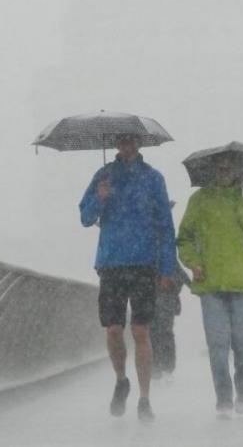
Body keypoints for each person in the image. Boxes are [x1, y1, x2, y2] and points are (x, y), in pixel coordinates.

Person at [79, 133, 177, 422]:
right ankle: (122, 380)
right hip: (111, 262)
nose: (127, 146)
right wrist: (100, 198)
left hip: (144, 263)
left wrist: (167, 268)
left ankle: (145, 399)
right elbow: (85, 217)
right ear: (115, 145)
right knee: (112, 329)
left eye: (131, 141)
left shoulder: (153, 178)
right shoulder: (104, 175)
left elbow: (166, 226)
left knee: (140, 331)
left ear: (139, 144)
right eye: (122, 142)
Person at [177, 153, 243, 417]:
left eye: (230, 166)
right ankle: (224, 398)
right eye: (220, 167)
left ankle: (242, 386)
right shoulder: (200, 199)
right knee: (217, 347)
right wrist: (193, 262)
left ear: (238, 169)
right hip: (211, 285)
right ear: (212, 170)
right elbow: (183, 239)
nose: (225, 170)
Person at [150, 202, 191, 381]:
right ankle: (161, 367)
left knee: (160, 330)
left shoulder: (162, 238)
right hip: (155, 292)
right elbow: (176, 266)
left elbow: (174, 265)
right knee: (159, 330)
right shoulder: (159, 237)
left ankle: (161, 368)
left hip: (161, 292)